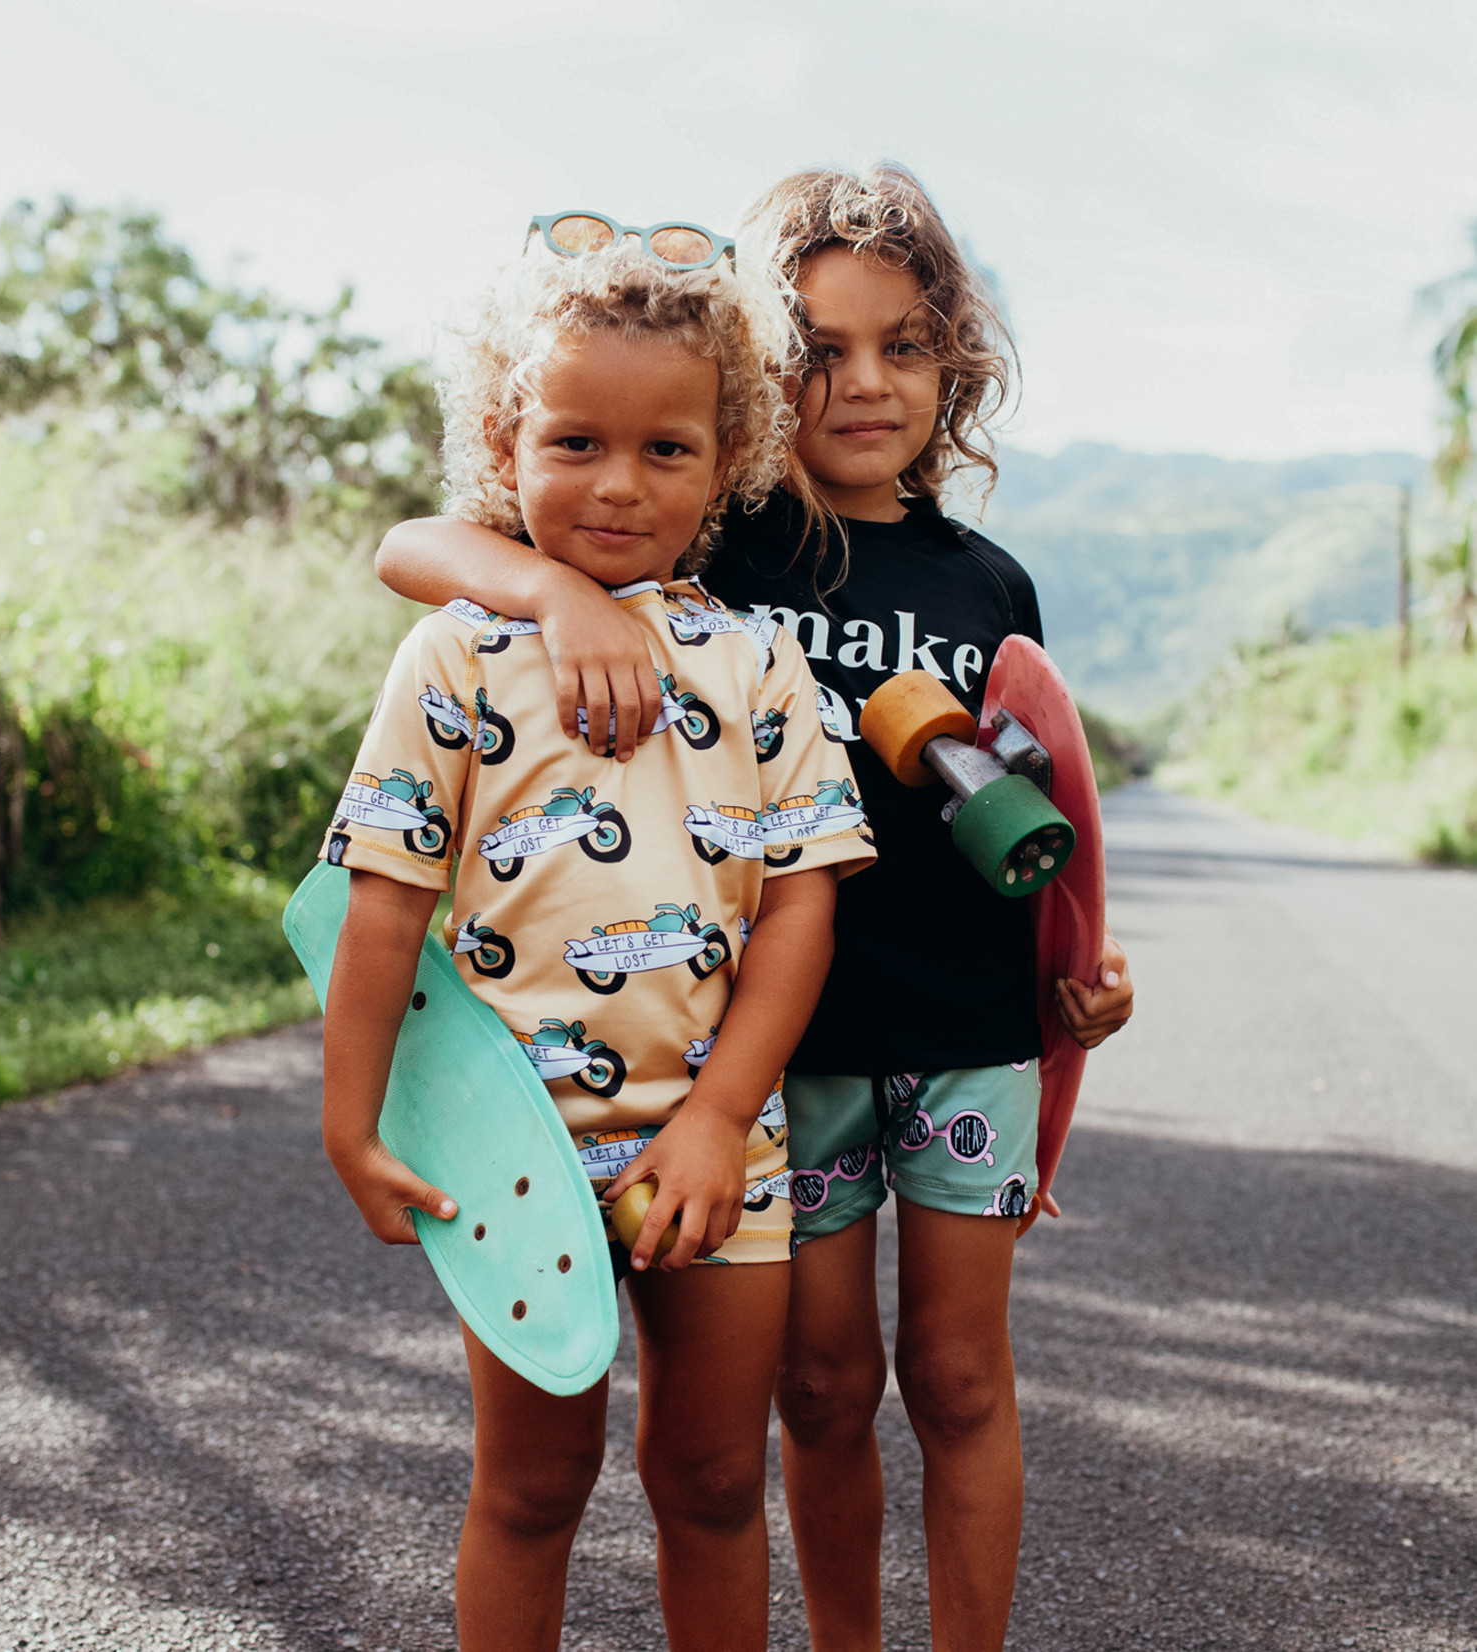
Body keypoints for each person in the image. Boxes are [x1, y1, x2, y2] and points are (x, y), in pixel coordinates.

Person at [374, 166, 1136, 1652]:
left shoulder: (995, 583)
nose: (864, 384)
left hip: (970, 1027)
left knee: (965, 1380)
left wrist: (1077, 977)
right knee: (823, 1390)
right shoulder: (716, 546)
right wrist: (560, 601)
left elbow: (1038, 812)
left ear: (953, 368)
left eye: (904, 345)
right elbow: (419, 550)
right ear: (757, 387)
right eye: (820, 351)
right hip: (789, 1058)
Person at [321, 226, 876, 1652]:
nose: (619, 485)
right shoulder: (453, 653)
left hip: (718, 1149)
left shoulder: (760, 664)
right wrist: (352, 1120)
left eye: (667, 451)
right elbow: (381, 902)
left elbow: (801, 905)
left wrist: (720, 1117)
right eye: (574, 440)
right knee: (529, 1487)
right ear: (506, 443)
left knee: (706, 1484)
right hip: (515, 1150)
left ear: (727, 457)